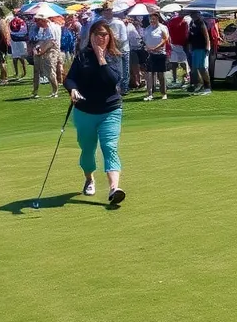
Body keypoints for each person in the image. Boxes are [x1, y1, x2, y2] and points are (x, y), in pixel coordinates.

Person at [64, 21, 126, 206]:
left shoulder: (115, 56)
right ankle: (89, 178)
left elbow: (112, 80)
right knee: (88, 149)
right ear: (90, 36)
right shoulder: (82, 56)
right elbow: (70, 79)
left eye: (105, 34)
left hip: (110, 110)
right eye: (97, 34)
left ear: (110, 37)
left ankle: (114, 188)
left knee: (109, 147)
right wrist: (72, 90)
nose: (101, 38)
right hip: (85, 111)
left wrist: (101, 59)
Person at [29, 13, 61, 99]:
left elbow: (51, 42)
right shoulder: (40, 29)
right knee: (36, 71)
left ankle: (55, 91)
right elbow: (38, 40)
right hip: (40, 50)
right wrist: (36, 49)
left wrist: (41, 51)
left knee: (50, 71)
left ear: (42, 20)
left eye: (37, 21)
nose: (36, 23)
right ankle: (35, 91)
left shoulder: (52, 28)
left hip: (50, 51)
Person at [141, 12, 170, 101]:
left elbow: (165, 39)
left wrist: (155, 48)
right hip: (151, 54)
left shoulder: (162, 28)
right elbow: (144, 40)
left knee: (161, 75)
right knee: (150, 74)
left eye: (154, 19)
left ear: (158, 19)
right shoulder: (147, 29)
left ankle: (163, 93)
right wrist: (148, 48)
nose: (152, 21)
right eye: (151, 19)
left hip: (160, 54)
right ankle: (150, 93)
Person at [186, 10, 212, 95]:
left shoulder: (201, 23)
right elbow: (190, 36)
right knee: (195, 68)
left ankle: (207, 87)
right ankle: (199, 85)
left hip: (202, 48)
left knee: (202, 68)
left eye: (194, 14)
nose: (193, 15)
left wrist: (207, 47)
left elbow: (206, 36)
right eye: (192, 14)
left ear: (198, 14)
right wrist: (190, 46)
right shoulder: (191, 24)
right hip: (194, 48)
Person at [8, 14, 29, 80]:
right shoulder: (23, 22)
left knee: (15, 57)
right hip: (21, 41)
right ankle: (24, 72)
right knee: (22, 58)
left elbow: (9, 31)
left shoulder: (11, 21)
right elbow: (25, 31)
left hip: (13, 40)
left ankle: (16, 73)